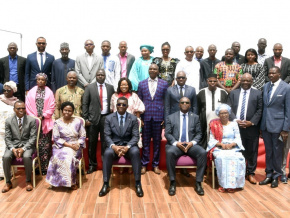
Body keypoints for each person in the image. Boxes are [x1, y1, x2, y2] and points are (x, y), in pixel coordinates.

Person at [99, 97, 143, 197]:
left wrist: (127, 147)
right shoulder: (109, 118)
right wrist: (114, 147)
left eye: (123, 105)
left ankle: (138, 183)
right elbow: (106, 135)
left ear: (127, 106)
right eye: (119, 104)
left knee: (136, 152)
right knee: (107, 153)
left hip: (129, 146)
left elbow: (136, 136)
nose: (121, 106)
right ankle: (106, 183)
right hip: (114, 146)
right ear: (116, 105)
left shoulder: (133, 118)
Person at [165, 97, 207, 196]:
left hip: (191, 145)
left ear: (190, 105)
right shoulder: (171, 117)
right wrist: (176, 143)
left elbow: (199, 134)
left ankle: (198, 183)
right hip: (177, 145)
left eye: (187, 102)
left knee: (203, 153)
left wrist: (192, 143)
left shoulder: (195, 117)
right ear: (179, 105)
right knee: (170, 152)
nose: (184, 104)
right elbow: (168, 134)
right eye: (182, 102)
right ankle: (172, 182)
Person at [227, 73, 263, 184]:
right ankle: (239, 172)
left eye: (248, 81)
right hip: (236, 127)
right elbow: (229, 108)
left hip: (251, 127)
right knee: (237, 150)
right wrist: (235, 120)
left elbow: (260, 110)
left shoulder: (258, 93)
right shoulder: (233, 93)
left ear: (252, 81)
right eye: (243, 80)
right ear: (240, 81)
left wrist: (251, 122)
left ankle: (251, 173)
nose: (246, 82)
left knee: (252, 150)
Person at [259, 67, 290, 188]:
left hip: (279, 126)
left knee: (277, 153)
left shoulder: (286, 87)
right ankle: (268, 174)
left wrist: (286, 129)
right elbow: (265, 107)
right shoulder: (266, 86)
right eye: (269, 73)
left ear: (279, 74)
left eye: (273, 73)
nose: (271, 75)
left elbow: (288, 110)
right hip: (266, 125)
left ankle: (276, 176)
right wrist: (262, 126)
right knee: (269, 151)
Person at [46, 102, 86, 190]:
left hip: (75, 145)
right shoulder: (57, 123)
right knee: (57, 157)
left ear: (73, 112)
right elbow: (56, 138)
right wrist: (69, 145)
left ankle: (71, 182)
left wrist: (77, 144)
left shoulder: (77, 122)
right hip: (61, 146)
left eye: (69, 111)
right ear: (62, 111)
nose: (67, 112)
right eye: (65, 110)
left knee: (68, 158)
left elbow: (82, 135)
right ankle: (55, 181)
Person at [207, 104, 245, 193]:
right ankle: (223, 184)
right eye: (222, 113)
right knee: (222, 158)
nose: (224, 115)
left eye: (226, 113)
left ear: (229, 113)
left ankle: (236, 184)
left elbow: (238, 138)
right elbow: (212, 139)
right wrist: (221, 145)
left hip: (233, 147)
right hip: (219, 148)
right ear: (218, 115)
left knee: (239, 158)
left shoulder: (234, 124)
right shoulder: (214, 125)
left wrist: (232, 144)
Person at [82, 69, 114, 174]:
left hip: (106, 118)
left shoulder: (110, 88)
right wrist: (85, 119)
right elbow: (85, 104)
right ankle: (92, 165)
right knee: (92, 143)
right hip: (92, 119)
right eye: (98, 74)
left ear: (105, 76)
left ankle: (105, 164)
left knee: (105, 142)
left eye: (102, 74)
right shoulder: (89, 87)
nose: (100, 76)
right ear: (96, 76)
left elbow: (112, 103)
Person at [138, 64, 168, 174]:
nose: (152, 70)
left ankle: (156, 164)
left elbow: (166, 101)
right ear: (148, 70)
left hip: (158, 117)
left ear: (158, 71)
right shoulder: (141, 84)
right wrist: (139, 117)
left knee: (157, 143)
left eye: (155, 68)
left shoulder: (164, 84)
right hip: (145, 117)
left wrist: (165, 117)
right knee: (145, 142)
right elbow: (139, 102)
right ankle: (144, 164)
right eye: (150, 68)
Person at [110, 78, 145, 174]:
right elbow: (112, 109)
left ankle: (130, 165)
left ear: (129, 85)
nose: (124, 86)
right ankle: (121, 166)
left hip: (131, 123)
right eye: (122, 84)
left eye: (126, 84)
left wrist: (138, 120)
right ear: (119, 86)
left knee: (130, 143)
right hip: (118, 123)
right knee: (119, 142)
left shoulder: (134, 96)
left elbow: (138, 109)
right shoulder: (114, 96)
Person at [2, 100, 37, 193]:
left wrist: (23, 148)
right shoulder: (9, 121)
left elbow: (33, 138)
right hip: (13, 145)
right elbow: (7, 138)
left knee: (26, 156)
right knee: (5, 157)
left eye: (23, 108)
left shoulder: (31, 120)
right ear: (14, 110)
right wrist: (13, 149)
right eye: (18, 108)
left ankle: (28, 181)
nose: (21, 110)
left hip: (27, 146)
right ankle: (8, 182)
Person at [25, 73, 55, 175]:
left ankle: (45, 168)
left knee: (45, 146)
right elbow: (28, 106)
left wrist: (43, 116)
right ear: (36, 80)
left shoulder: (49, 92)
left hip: (45, 122)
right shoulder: (31, 92)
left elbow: (52, 106)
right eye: (39, 79)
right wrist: (35, 118)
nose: (40, 81)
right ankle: (36, 168)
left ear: (46, 81)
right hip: (34, 122)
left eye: (43, 80)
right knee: (35, 144)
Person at [197, 74, 228, 149]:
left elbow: (226, 108)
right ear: (207, 81)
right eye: (210, 81)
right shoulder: (201, 93)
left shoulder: (223, 92)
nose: (212, 83)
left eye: (214, 81)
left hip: (220, 122)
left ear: (217, 81)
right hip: (205, 122)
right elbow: (198, 108)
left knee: (219, 139)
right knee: (205, 141)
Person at [0, 81, 19, 181]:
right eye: (5, 90)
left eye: (9, 90)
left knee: (7, 151)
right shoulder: (0, 100)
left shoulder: (16, 102)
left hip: (11, 132)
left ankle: (9, 172)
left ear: (13, 91)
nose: (6, 92)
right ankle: (1, 174)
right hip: (0, 130)